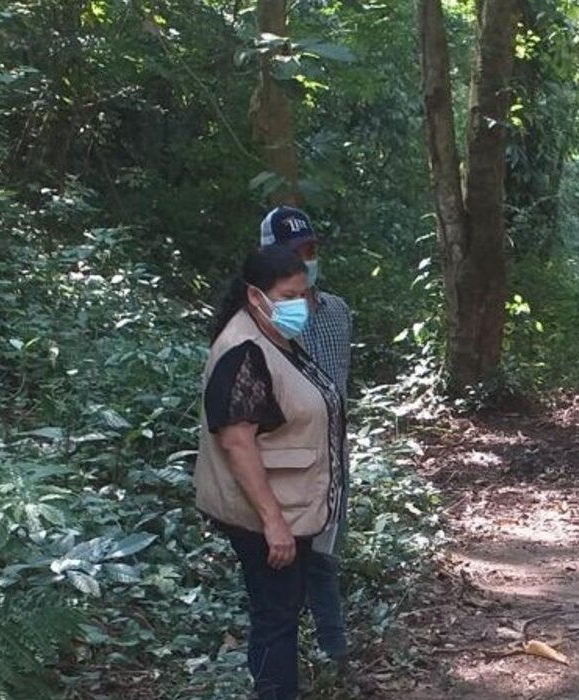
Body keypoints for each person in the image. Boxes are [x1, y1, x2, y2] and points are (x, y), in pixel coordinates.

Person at [195, 245, 345, 700]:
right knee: (275, 621)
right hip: (267, 515)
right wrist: (273, 521)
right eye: (289, 294)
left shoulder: (277, 336)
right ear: (255, 296)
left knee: (280, 613)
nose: (301, 303)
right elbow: (236, 440)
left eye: (305, 293)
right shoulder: (244, 351)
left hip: (292, 504)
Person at [259, 206, 354, 670]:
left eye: (309, 250)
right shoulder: (258, 320)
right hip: (279, 461)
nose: (303, 260)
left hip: (332, 458)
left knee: (323, 558)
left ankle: (332, 653)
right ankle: (281, 662)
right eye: (292, 253)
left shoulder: (337, 311)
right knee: (281, 566)